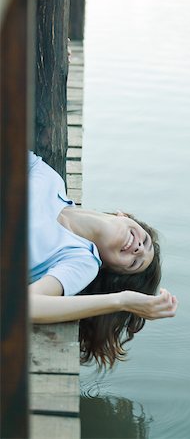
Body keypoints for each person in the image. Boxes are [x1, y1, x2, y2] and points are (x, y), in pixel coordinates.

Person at [28, 151, 178, 367]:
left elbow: (26, 306)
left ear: (108, 267)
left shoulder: (80, 260)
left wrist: (123, 300)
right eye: (144, 241)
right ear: (124, 216)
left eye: (135, 262)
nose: (138, 249)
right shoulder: (52, 180)